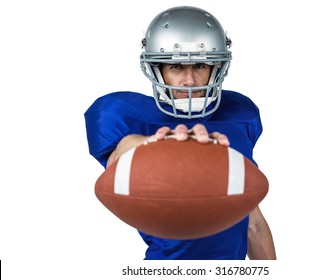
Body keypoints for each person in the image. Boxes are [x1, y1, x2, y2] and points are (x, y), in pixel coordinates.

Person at [85, 6, 276, 260]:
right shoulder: (124, 115)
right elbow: (119, 160)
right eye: (176, 68)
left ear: (217, 68)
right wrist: (155, 145)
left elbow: (253, 223)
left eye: (199, 65)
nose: (189, 81)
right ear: (157, 69)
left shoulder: (240, 115)